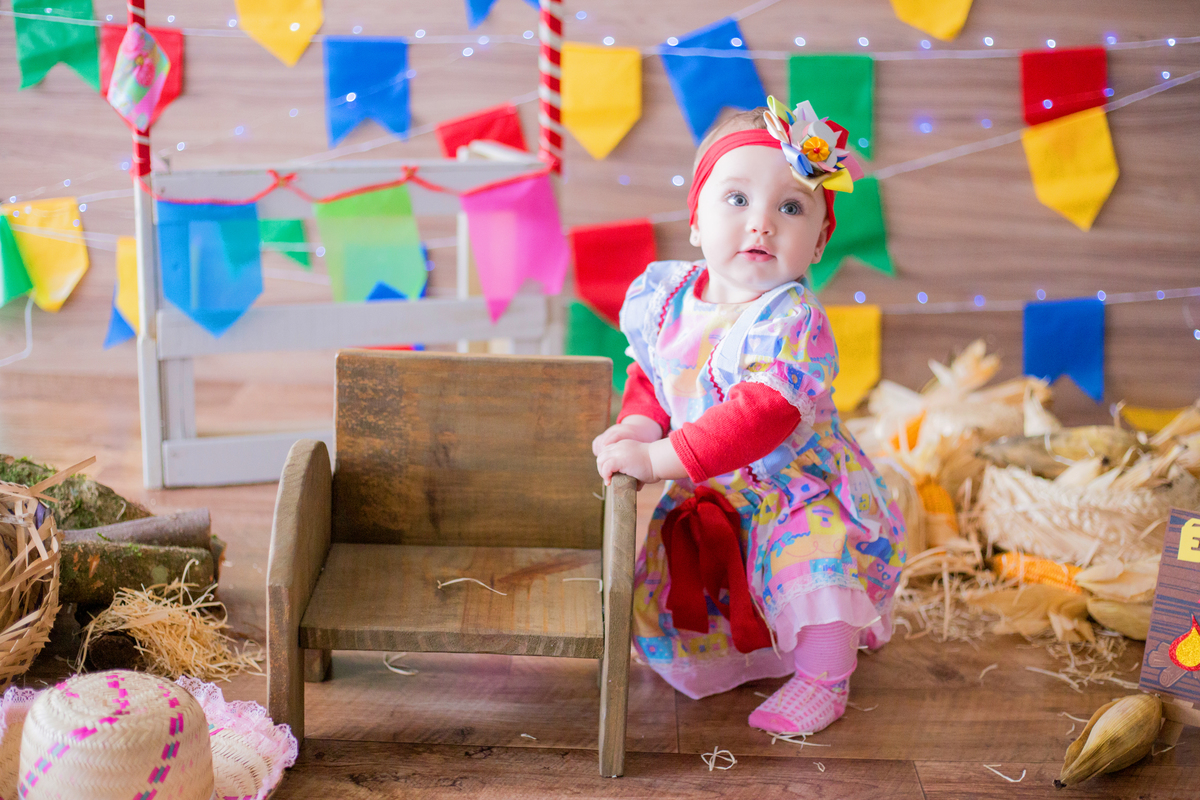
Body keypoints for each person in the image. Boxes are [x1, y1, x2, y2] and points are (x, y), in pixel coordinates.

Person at [593, 99, 906, 736]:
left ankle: (825, 679)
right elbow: (652, 377)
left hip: (793, 489)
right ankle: (761, 655)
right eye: (736, 200)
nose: (761, 223)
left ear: (818, 241)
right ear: (696, 222)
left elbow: (761, 414)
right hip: (711, 483)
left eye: (790, 207)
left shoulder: (791, 319)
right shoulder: (667, 300)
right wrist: (640, 426)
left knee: (811, 571)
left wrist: (657, 461)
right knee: (711, 591)